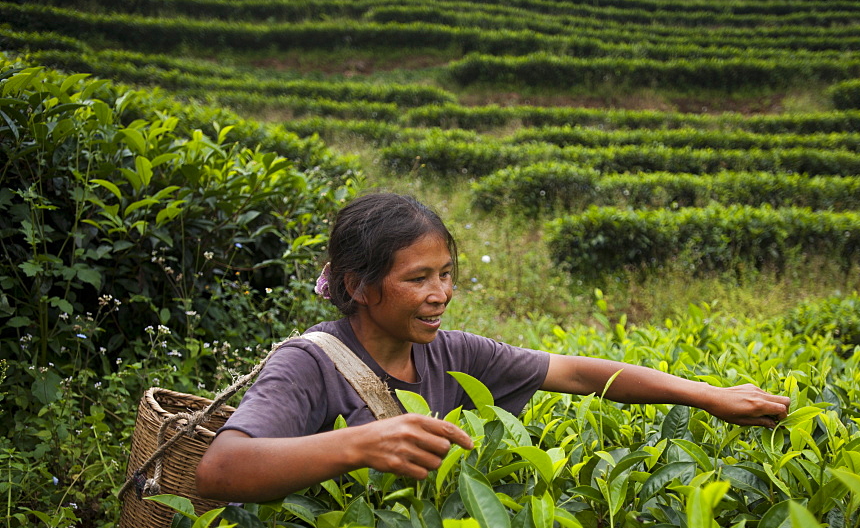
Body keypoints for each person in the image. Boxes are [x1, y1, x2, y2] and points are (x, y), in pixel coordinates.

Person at [196, 192, 789, 503]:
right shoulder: (308, 363)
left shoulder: (452, 353)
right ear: (357, 285)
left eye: (446, 274)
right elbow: (220, 471)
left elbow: (579, 373)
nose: (439, 295)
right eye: (418, 279)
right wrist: (359, 444)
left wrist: (708, 397)